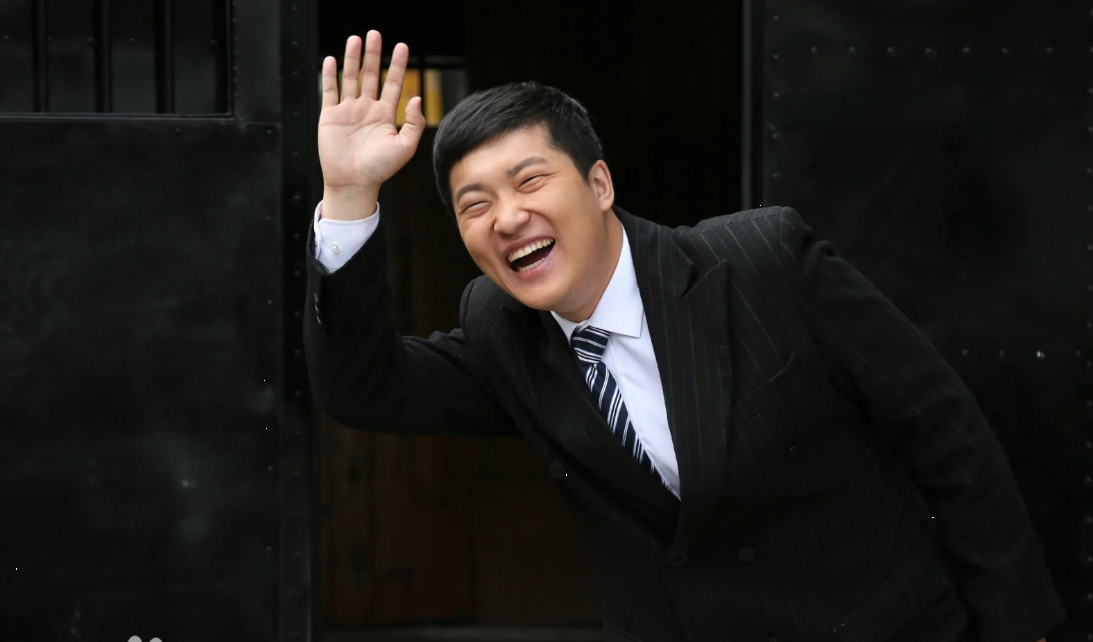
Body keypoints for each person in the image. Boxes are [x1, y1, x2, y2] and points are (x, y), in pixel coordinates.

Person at [303, 30, 1064, 642]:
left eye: (530, 181)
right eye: (475, 205)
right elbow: (364, 388)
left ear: (599, 184)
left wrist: (1018, 626)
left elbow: (943, 432)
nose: (506, 217)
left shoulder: (763, 261)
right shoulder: (502, 331)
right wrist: (348, 193)